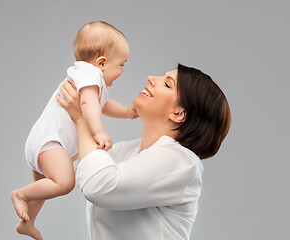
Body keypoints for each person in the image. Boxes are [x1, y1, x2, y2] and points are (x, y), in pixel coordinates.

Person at [57, 63, 231, 240]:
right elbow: (71, 169)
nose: (151, 78)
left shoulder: (182, 161)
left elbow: (97, 185)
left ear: (178, 114)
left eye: (167, 84)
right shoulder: (128, 151)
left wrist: (81, 116)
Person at [11, 21, 137, 240]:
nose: (122, 71)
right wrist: (98, 132)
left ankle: (27, 223)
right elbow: (88, 105)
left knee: (43, 188)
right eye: (122, 65)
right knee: (65, 182)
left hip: (41, 140)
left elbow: (102, 105)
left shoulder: (86, 77)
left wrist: (126, 112)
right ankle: (19, 195)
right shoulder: (91, 75)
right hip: (50, 143)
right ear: (102, 63)